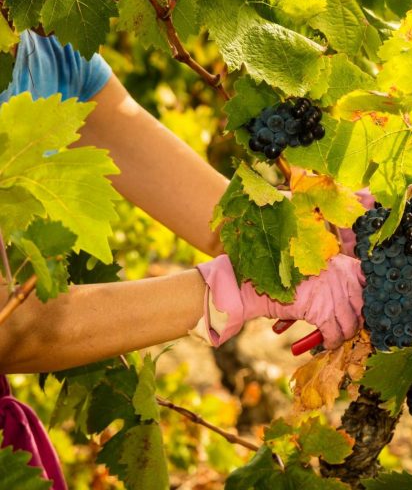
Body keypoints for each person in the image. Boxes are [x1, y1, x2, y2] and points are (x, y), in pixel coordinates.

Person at [0, 30, 365, 488]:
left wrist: (306, 230)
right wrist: (226, 294)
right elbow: (8, 327)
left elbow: (216, 223)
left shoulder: (49, 46)